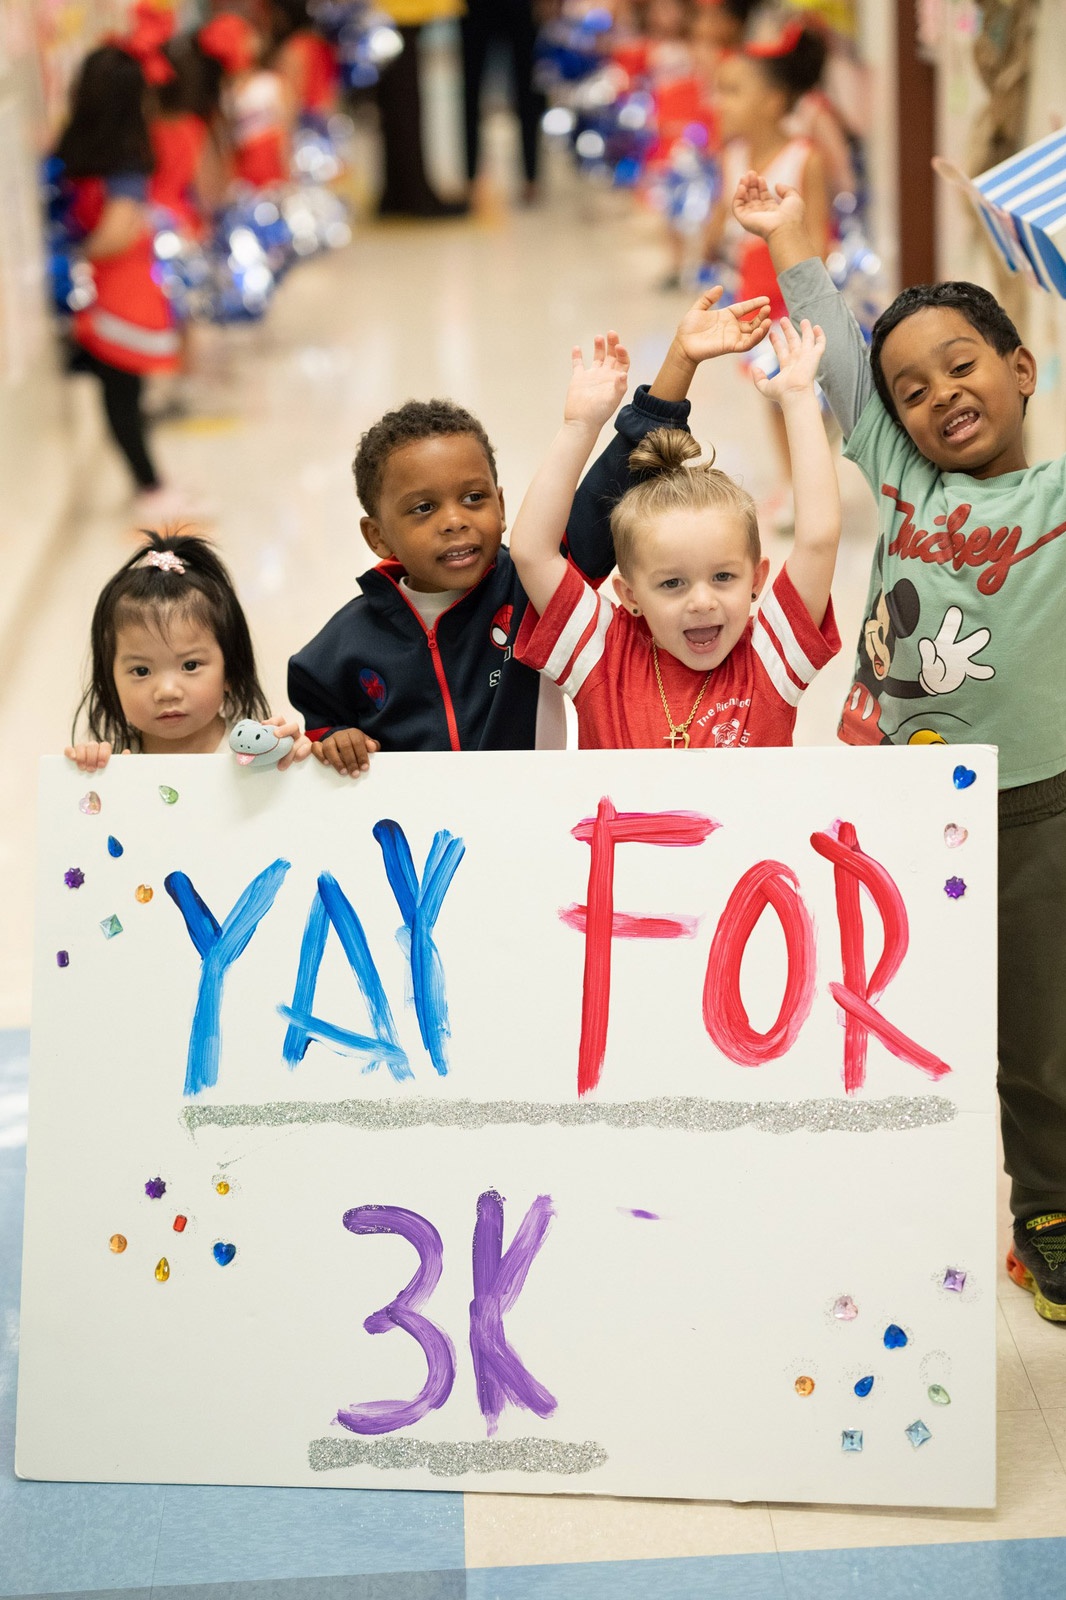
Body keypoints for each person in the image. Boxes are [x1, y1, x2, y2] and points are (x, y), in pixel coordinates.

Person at [732, 170, 1066, 1324]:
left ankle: (1049, 1208)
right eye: (912, 389)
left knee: (1036, 1032)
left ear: (1022, 369)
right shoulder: (904, 474)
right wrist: (790, 241)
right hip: (889, 802)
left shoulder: (1060, 495)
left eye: (962, 367)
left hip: (1034, 807)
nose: (939, 397)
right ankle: (858, 1205)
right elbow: (832, 350)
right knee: (886, 1012)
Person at [287, 293, 743, 772]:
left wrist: (680, 361)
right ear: (377, 537)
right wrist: (336, 738)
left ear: (502, 507)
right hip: (420, 842)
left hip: (530, 824)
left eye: (473, 498)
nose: (454, 520)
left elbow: (615, 479)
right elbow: (322, 718)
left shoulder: (534, 587)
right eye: (423, 508)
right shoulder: (349, 638)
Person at [511, 290, 840, 748]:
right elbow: (530, 552)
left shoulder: (771, 656)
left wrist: (799, 398)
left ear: (756, 579)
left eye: (723, 576)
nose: (702, 601)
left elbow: (819, 540)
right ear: (629, 595)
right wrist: (578, 427)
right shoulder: (601, 653)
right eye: (672, 583)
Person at [701, 20, 831, 527]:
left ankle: (805, 477)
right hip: (752, 296)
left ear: (774, 102)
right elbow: (719, 217)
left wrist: (811, 289)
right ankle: (796, 483)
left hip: (792, 293)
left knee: (793, 391)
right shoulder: (732, 154)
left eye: (733, 92)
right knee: (773, 395)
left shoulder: (804, 158)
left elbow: (817, 234)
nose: (720, 102)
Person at [54, 44, 180, 519]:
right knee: (124, 393)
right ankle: (151, 487)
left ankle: (151, 483)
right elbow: (117, 230)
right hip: (117, 295)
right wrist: (81, 254)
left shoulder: (72, 151)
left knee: (116, 391)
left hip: (87, 296)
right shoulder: (127, 159)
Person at [67, 532, 311, 771]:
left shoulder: (254, 755)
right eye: (141, 671)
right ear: (110, 680)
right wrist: (89, 774)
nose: (167, 692)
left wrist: (294, 761)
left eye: (190, 665)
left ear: (231, 670)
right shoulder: (116, 764)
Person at [461, 0, 543, 206]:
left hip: (519, 8)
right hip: (477, 8)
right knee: (471, 93)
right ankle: (471, 178)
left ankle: (531, 178)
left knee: (528, 93)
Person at [199, 12, 292, 188]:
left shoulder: (270, 84)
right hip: (244, 181)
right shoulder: (225, 94)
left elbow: (285, 138)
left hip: (273, 177)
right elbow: (226, 145)